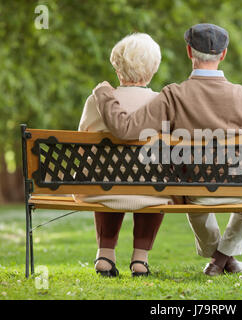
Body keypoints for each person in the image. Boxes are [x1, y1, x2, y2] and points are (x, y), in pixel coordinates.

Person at [92, 23, 242, 276]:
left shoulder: (173, 95)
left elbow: (125, 129)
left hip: (195, 191)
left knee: (194, 189)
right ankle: (223, 259)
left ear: (189, 52)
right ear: (223, 54)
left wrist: (104, 94)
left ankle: (220, 259)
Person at [75, 33, 173, 277]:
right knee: (153, 178)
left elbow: (80, 143)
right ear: (152, 70)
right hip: (150, 191)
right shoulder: (160, 102)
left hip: (101, 188)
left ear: (117, 69)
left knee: (106, 173)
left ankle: (104, 256)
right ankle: (140, 260)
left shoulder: (95, 101)